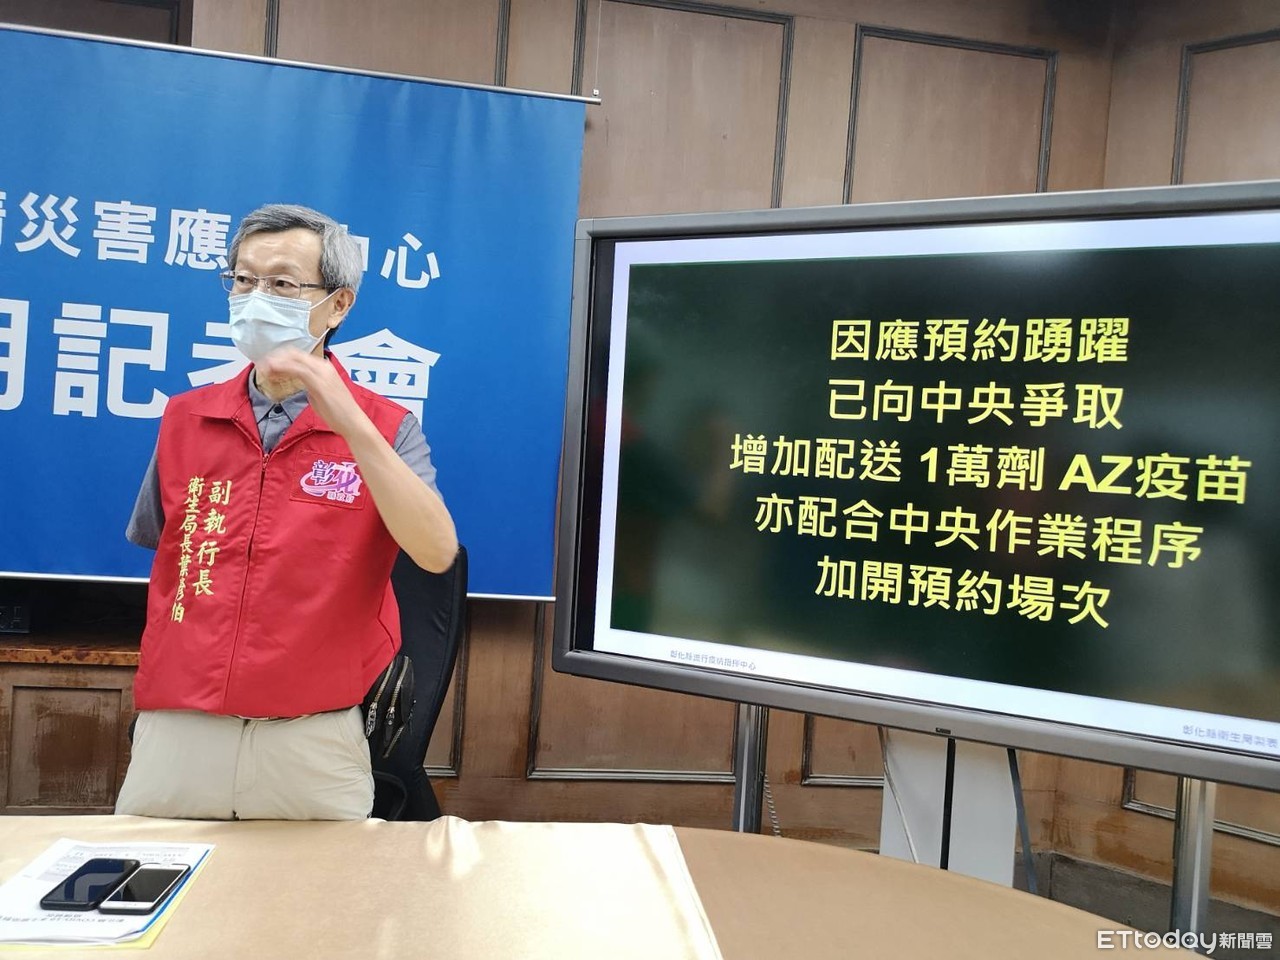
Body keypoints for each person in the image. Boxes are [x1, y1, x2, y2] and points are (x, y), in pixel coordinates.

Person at [114, 203, 457, 821]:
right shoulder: (188, 417)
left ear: (338, 305)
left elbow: (436, 553)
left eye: (281, 284)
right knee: (161, 879)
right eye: (243, 280)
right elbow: (166, 546)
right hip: (181, 722)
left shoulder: (386, 428)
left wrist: (347, 419)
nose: (256, 298)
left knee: (312, 887)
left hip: (313, 733)